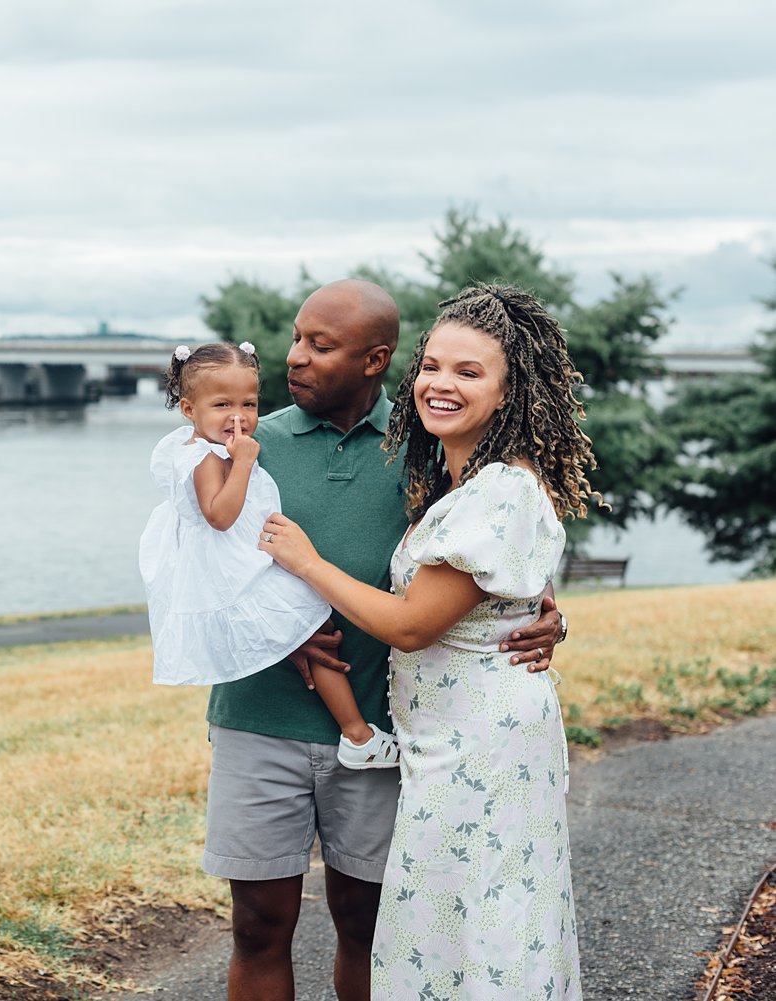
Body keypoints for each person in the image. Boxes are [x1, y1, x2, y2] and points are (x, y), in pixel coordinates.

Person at [201, 278, 565, 1001]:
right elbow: (190, 573)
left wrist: (546, 612)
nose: (295, 357)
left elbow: (490, 564)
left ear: (376, 360)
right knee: (259, 924)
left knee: (379, 926)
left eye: (319, 344)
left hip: (387, 731)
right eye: (297, 338)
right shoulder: (248, 442)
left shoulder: (428, 447)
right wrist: (274, 630)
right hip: (258, 716)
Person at [139, 340, 398, 768]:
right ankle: (358, 734)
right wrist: (243, 463)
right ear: (189, 410)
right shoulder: (204, 458)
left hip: (247, 559)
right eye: (222, 405)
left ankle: (356, 734)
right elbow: (219, 516)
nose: (238, 417)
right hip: (236, 570)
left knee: (314, 625)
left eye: (249, 403)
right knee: (313, 622)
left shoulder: (218, 448)